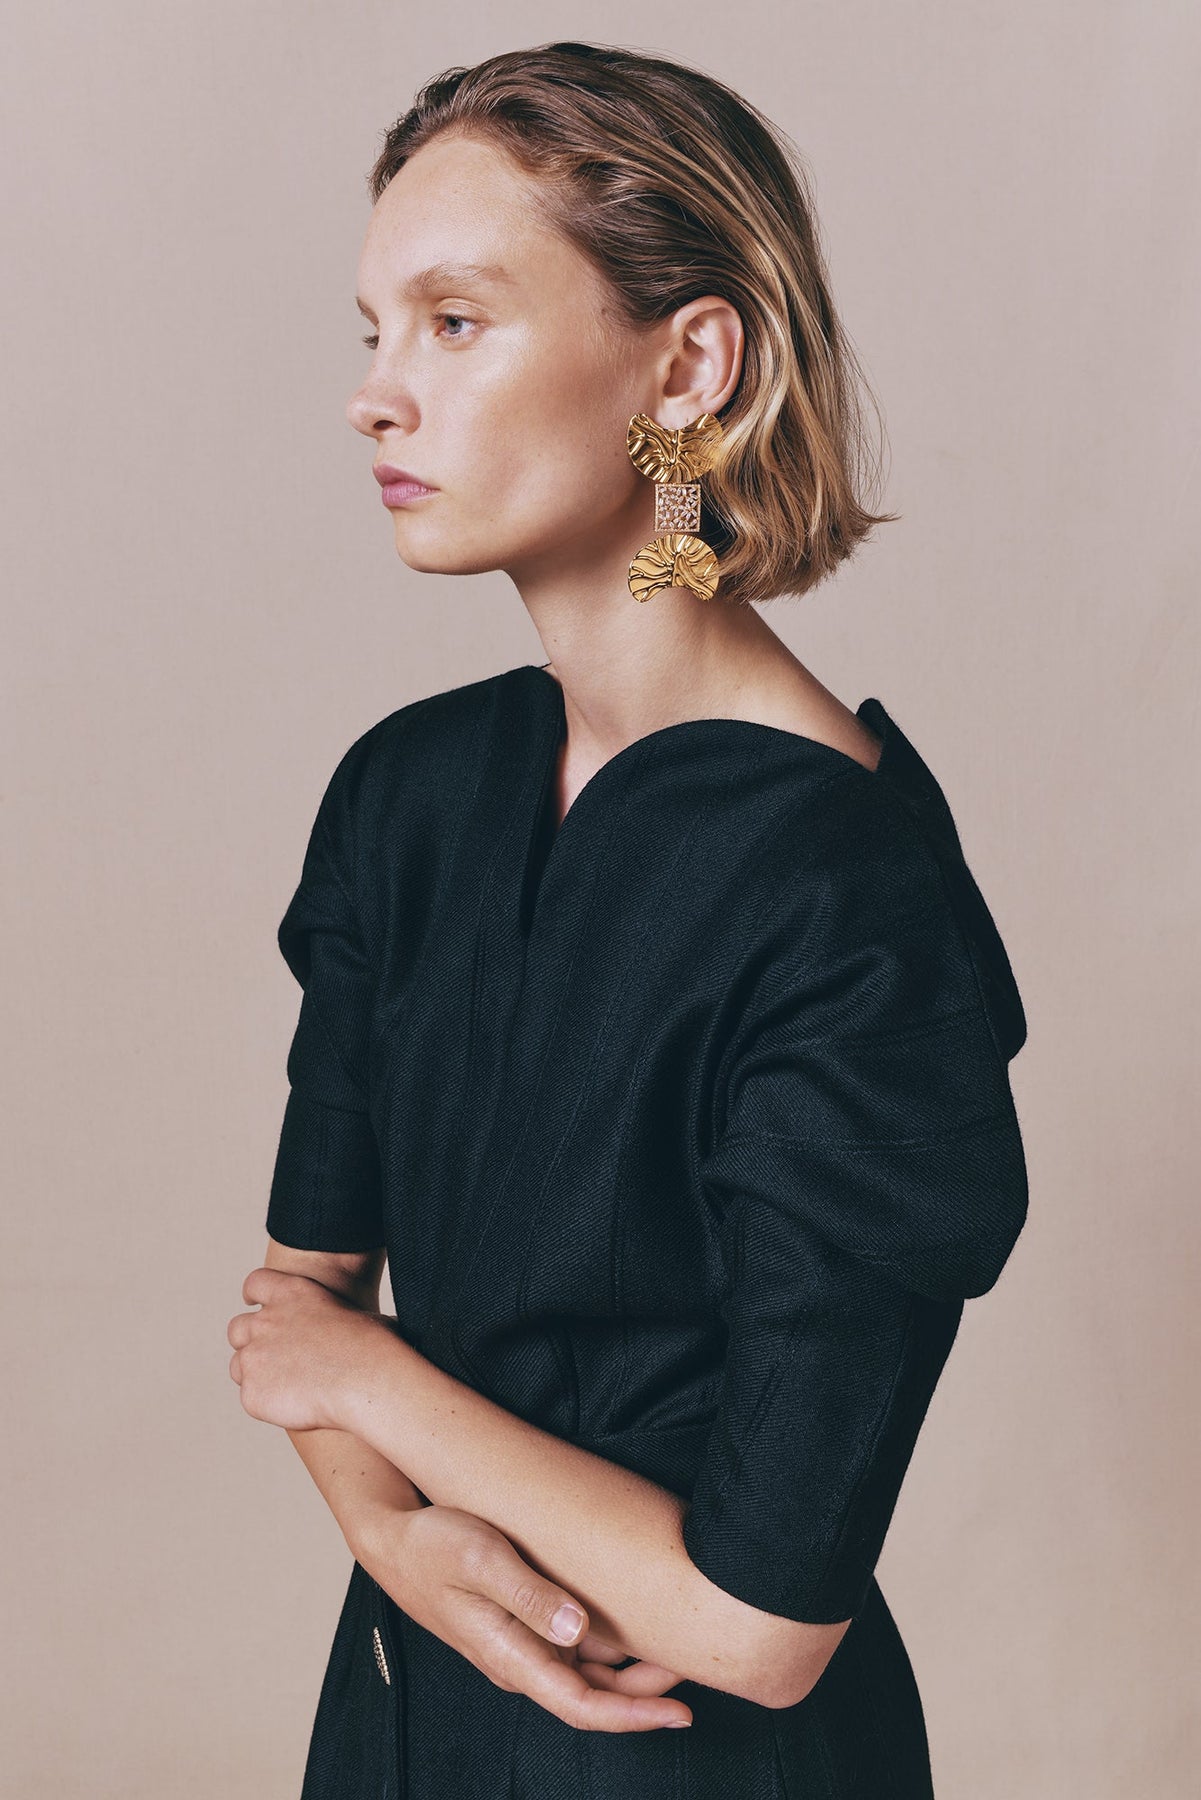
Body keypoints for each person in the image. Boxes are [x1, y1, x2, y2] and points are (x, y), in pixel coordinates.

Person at [226, 41, 1030, 1798]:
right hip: (404, 1704)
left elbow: (760, 1622)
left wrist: (375, 1392)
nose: (374, 396)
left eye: (453, 322)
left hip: (688, 1756)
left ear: (688, 364)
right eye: (372, 330)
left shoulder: (849, 892)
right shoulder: (408, 794)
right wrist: (394, 1541)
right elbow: (300, 1293)